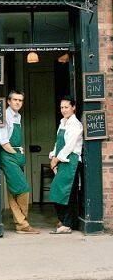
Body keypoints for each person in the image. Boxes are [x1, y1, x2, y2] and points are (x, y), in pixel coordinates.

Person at [0, 91, 40, 234]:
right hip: (9, 154)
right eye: (15, 100)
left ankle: (21, 224)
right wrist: (15, 154)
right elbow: (4, 141)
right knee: (23, 188)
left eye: (20, 100)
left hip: (16, 154)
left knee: (13, 190)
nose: (18, 102)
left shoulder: (18, 116)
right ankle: (23, 222)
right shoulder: (5, 116)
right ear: (8, 101)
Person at [49, 96, 83, 234]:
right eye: (62, 107)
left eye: (66, 107)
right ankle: (65, 220)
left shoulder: (76, 125)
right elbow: (58, 143)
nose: (63, 110)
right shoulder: (63, 122)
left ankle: (67, 224)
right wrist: (53, 155)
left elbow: (69, 146)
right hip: (61, 159)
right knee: (58, 191)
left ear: (73, 107)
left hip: (70, 160)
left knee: (65, 192)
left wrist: (56, 159)